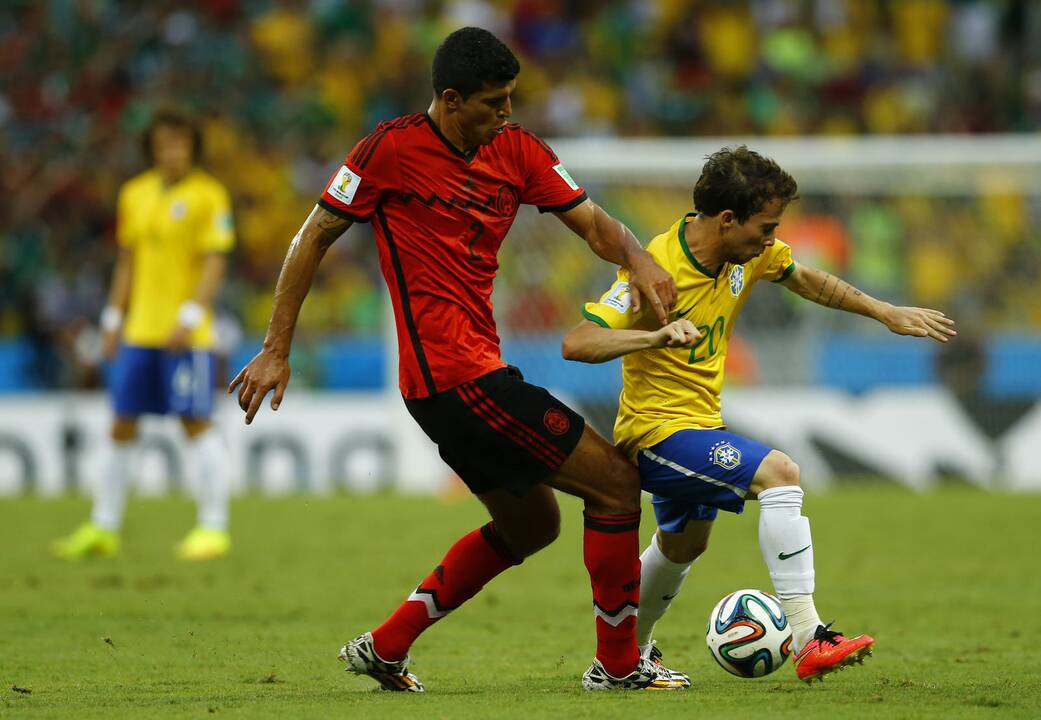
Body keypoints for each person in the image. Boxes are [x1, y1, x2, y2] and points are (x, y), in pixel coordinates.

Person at [229, 27, 688, 693]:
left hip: (468, 375)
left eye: (511, 100)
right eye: (494, 102)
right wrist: (276, 347)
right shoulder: (388, 150)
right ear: (450, 99)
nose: (506, 114)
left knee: (532, 524)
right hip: (452, 377)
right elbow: (313, 236)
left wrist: (637, 255)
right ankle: (617, 666)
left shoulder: (517, 150)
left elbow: (592, 224)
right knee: (616, 485)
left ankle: (385, 647)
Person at [562, 146, 957, 683]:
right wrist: (653, 334)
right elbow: (578, 342)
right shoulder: (657, 268)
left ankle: (623, 661)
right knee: (781, 473)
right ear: (728, 220)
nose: (772, 239)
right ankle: (808, 635)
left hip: (699, 426)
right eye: (766, 227)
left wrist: (884, 311)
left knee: (682, 545)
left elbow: (805, 279)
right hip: (656, 433)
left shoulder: (748, 254)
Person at [53, 108, 235, 562]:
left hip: (186, 335)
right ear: (151, 150)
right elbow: (127, 262)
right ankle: (103, 526)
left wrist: (191, 315)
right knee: (121, 421)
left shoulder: (209, 196)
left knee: (194, 421)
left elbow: (215, 261)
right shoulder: (135, 194)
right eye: (162, 145)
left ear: (192, 147)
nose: (170, 152)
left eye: (178, 143)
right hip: (139, 331)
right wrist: (112, 321)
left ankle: (214, 527)